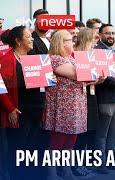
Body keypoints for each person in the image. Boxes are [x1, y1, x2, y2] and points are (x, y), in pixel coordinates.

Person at [0, 26, 45, 180]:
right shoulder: (6, 59)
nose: (32, 39)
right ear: (18, 41)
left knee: (33, 147)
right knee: (18, 147)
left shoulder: (34, 57)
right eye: (28, 36)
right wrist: (10, 108)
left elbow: (43, 83)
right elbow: (1, 87)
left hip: (36, 109)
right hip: (19, 111)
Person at [43, 30, 87, 180]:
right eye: (70, 40)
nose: (73, 42)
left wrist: (99, 76)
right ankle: (52, 173)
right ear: (60, 43)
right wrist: (92, 71)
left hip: (76, 105)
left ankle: (66, 171)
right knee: (58, 140)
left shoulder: (71, 58)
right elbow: (79, 75)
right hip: (62, 106)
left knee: (70, 140)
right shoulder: (54, 59)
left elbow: (89, 78)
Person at [94, 23, 115, 173]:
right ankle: (100, 163)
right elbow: (102, 74)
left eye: (113, 33)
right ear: (100, 35)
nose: (111, 36)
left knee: (114, 133)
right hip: (105, 98)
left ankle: (111, 161)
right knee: (102, 134)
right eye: (107, 33)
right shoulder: (97, 51)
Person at [71, 27, 97, 177]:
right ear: (87, 38)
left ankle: (81, 164)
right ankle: (75, 166)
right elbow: (78, 78)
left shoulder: (92, 55)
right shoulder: (75, 55)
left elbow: (91, 79)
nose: (96, 41)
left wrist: (99, 79)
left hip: (90, 97)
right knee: (77, 135)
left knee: (86, 132)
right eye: (94, 38)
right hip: (78, 97)